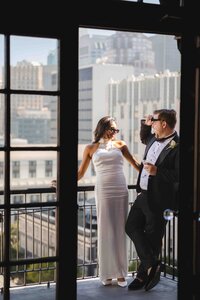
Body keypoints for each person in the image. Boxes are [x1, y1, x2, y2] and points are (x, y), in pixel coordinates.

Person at [78, 116, 140, 287]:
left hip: (120, 189)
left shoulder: (121, 145)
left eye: (116, 129)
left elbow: (135, 164)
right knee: (106, 231)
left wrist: (154, 175)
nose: (114, 132)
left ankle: (121, 274)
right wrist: (61, 181)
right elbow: (80, 173)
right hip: (103, 191)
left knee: (120, 230)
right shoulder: (90, 148)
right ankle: (106, 273)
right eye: (112, 129)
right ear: (103, 128)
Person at [125, 109, 179, 291]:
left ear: (164, 123)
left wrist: (158, 172)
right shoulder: (153, 139)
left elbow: (181, 175)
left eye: (154, 121)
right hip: (143, 195)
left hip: (160, 200)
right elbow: (143, 137)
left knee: (153, 239)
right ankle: (152, 264)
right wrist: (145, 124)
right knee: (130, 226)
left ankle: (142, 277)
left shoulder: (178, 145)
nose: (152, 123)